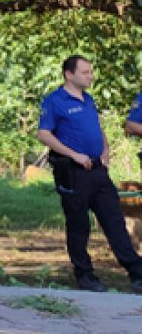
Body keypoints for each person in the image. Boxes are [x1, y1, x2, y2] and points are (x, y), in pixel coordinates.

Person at [37, 55, 142, 293]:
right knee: (79, 224)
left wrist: (105, 151)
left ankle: (136, 271)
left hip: (97, 170)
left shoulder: (88, 99)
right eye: (85, 72)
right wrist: (74, 155)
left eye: (91, 72)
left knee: (114, 220)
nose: (90, 76)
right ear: (69, 74)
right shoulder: (55, 101)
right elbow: (44, 134)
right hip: (72, 171)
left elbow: (96, 127)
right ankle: (84, 274)